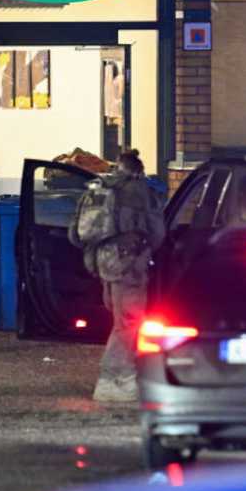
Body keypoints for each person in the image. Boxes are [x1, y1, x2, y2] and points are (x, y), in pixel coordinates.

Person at [69, 149, 165, 403]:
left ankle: (119, 378)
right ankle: (114, 380)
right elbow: (158, 233)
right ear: (139, 170)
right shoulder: (141, 191)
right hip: (129, 263)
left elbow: (74, 235)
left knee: (120, 320)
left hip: (104, 264)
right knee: (130, 322)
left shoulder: (97, 189)